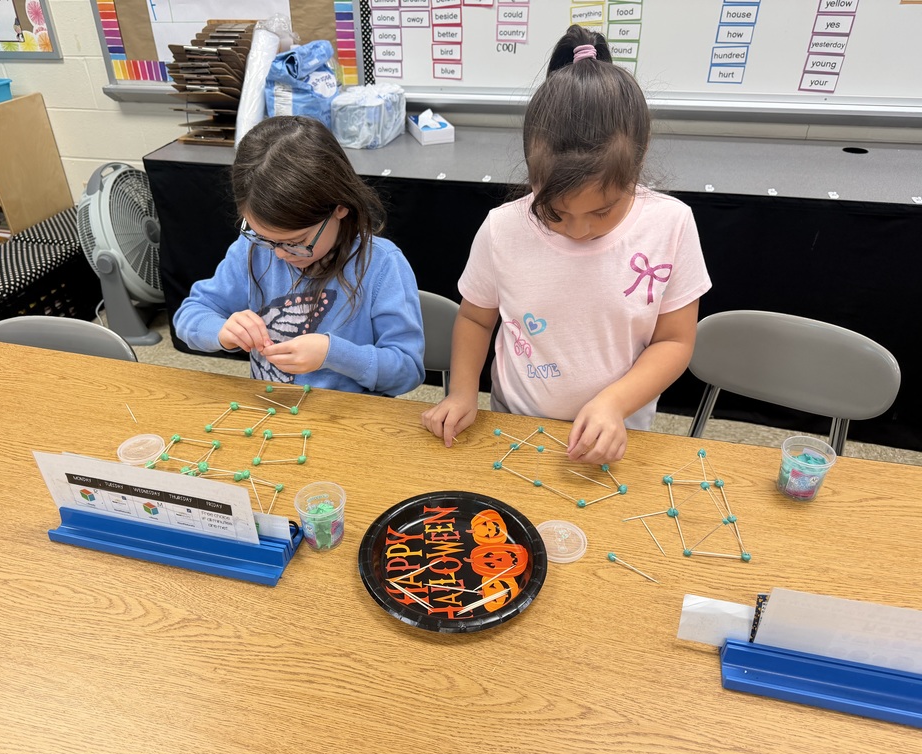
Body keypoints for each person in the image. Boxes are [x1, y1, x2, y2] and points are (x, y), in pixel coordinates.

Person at [421, 26, 711, 464]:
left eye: (602, 212)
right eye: (554, 212)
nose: (577, 231)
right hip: (516, 424)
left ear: (639, 160)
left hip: (619, 431)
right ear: (532, 174)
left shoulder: (670, 224)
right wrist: (463, 393)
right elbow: (476, 320)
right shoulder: (503, 228)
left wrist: (613, 403)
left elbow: (673, 341)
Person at [175, 115, 425, 398]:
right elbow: (188, 316)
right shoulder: (253, 250)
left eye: (297, 242)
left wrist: (333, 354)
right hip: (273, 411)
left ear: (340, 208)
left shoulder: (381, 265)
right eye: (265, 237)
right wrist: (221, 330)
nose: (280, 254)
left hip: (350, 421)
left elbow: (407, 372)